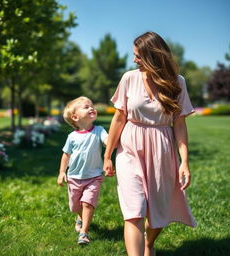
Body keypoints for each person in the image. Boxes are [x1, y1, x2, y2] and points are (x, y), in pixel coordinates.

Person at [103, 31, 197, 256]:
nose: (134, 60)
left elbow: (180, 125)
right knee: (134, 210)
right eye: (134, 55)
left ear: (154, 57)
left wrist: (184, 161)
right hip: (130, 148)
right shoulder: (128, 78)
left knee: (159, 211)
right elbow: (119, 118)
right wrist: (107, 156)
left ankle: (149, 243)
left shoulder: (177, 83)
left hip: (162, 150)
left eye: (139, 56)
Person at [57, 96, 108, 245]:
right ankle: (80, 217)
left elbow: (107, 141)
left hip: (94, 176)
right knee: (75, 207)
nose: (91, 108)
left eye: (92, 106)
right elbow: (66, 155)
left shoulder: (99, 130)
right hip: (74, 177)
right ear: (75, 117)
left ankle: (84, 233)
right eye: (86, 107)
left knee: (87, 203)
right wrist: (62, 172)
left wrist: (113, 141)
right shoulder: (72, 137)